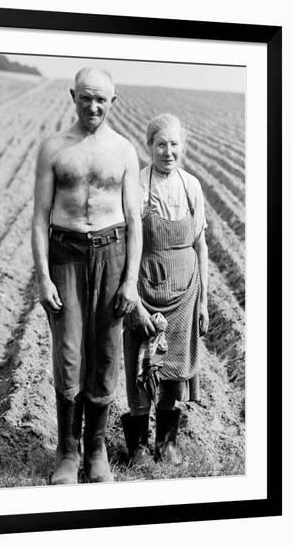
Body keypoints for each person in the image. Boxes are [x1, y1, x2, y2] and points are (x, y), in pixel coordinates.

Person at [31, 67, 142, 484]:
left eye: (102, 99)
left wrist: (130, 280)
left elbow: (134, 220)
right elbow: (40, 218)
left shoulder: (125, 151)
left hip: (111, 255)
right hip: (66, 255)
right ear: (72, 95)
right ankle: (67, 452)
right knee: (69, 353)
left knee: (107, 353)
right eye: (86, 97)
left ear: (114, 101)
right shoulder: (54, 147)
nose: (93, 106)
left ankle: (96, 451)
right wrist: (43, 277)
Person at [122, 113, 209, 467]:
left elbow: (201, 246)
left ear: (182, 147)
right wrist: (132, 297)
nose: (167, 151)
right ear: (149, 147)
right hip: (145, 291)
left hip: (184, 293)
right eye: (161, 144)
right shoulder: (138, 185)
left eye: (174, 144)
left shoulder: (192, 187)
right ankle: (139, 447)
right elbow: (127, 241)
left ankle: (167, 443)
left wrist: (203, 301)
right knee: (142, 366)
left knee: (174, 371)